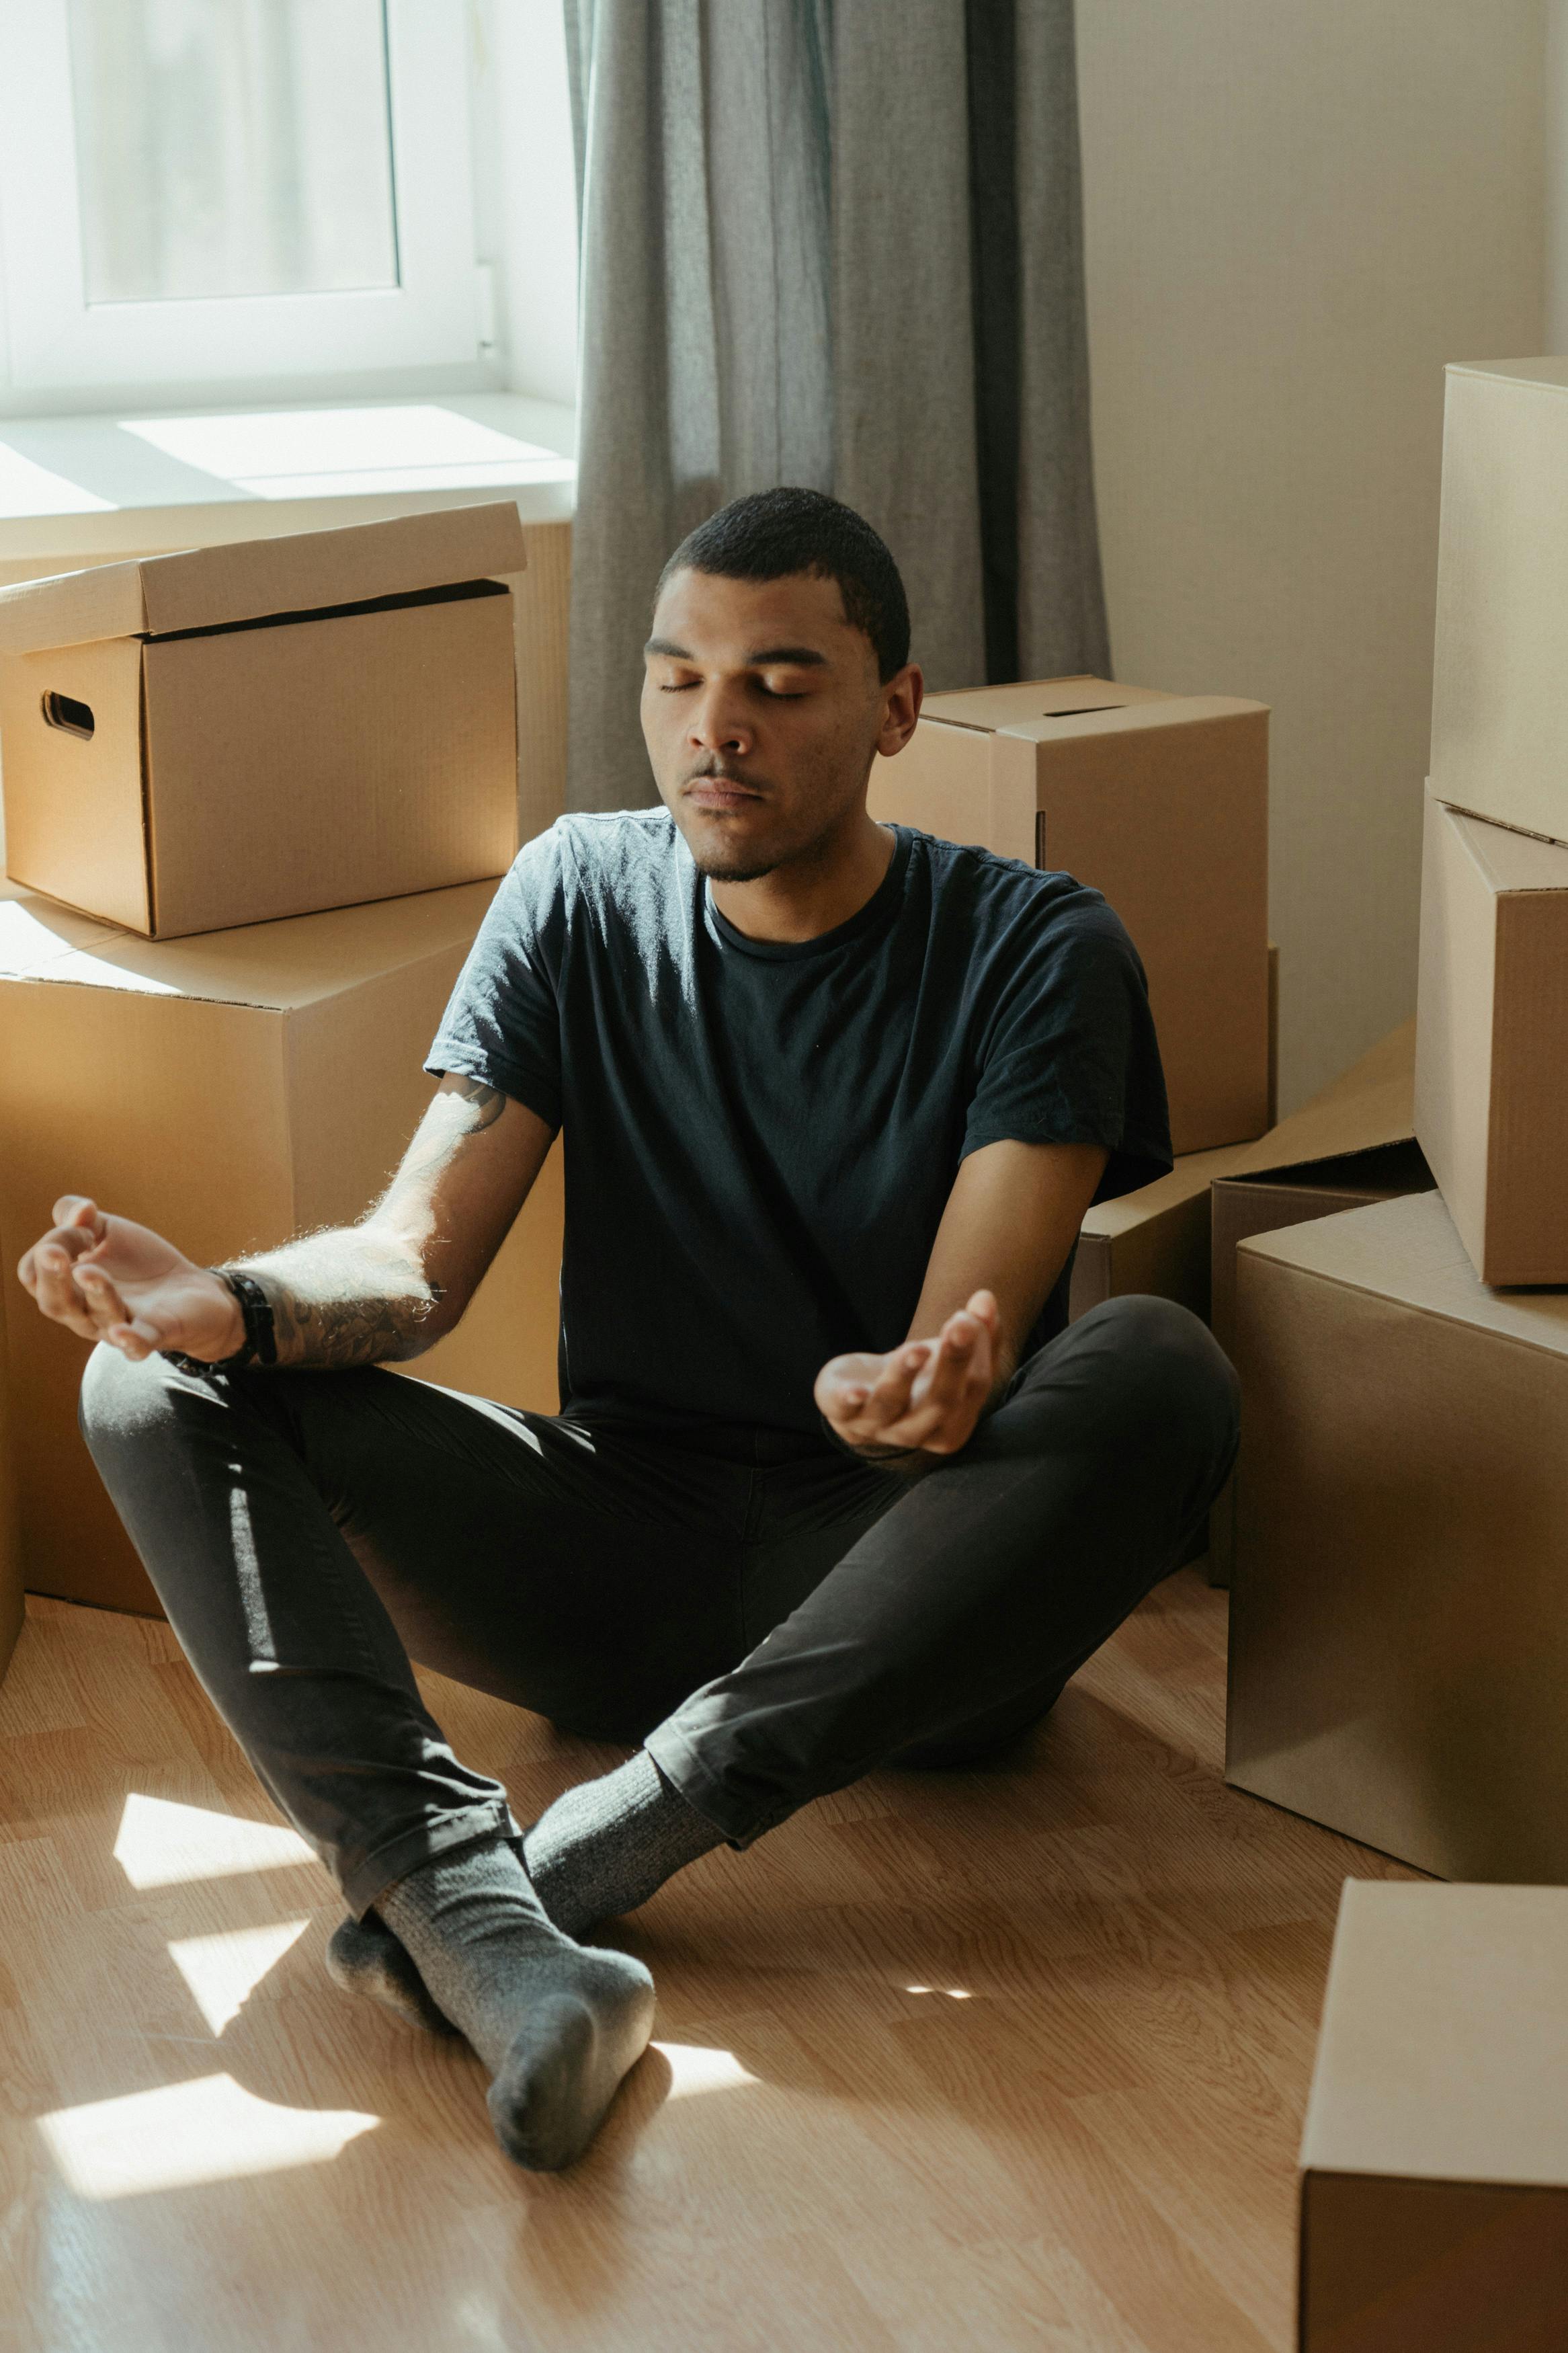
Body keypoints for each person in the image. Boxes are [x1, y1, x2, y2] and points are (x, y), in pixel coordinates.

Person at [18, 488, 1237, 2173]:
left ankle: (579, 1857)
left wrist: (919, 1386)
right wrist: (234, 1305)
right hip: (616, 1553)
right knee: (147, 1385)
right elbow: (412, 1267)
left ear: (895, 707)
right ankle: (490, 1931)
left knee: (1162, 1362)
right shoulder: (578, 890)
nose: (714, 729)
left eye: (782, 684)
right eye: (676, 679)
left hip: (895, 1598)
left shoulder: (1037, 945)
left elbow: (968, 1317)